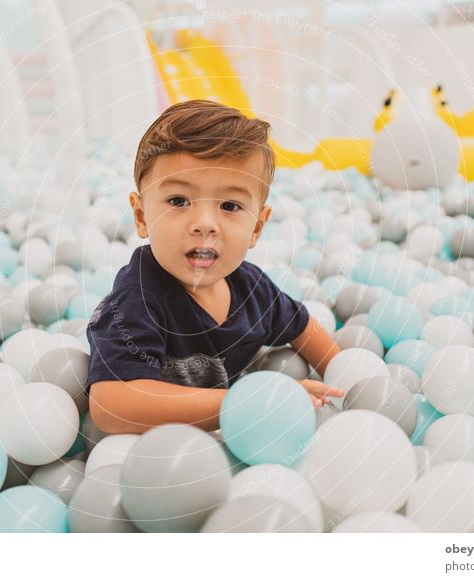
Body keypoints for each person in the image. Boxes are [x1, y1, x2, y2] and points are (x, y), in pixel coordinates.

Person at [85, 100, 342, 434]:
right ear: (141, 216)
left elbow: (303, 327)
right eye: (179, 201)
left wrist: (342, 378)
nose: (205, 224)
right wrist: (246, 402)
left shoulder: (252, 288)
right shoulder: (137, 299)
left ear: (256, 229)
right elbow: (112, 405)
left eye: (230, 205)